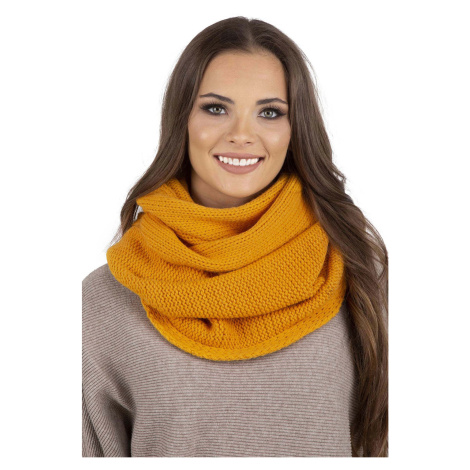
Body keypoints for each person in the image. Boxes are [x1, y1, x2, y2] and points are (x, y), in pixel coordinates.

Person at [82, 16, 388, 458]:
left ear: (294, 129)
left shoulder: (359, 270)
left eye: (270, 112)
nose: (242, 135)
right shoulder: (103, 301)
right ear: (181, 120)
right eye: (216, 108)